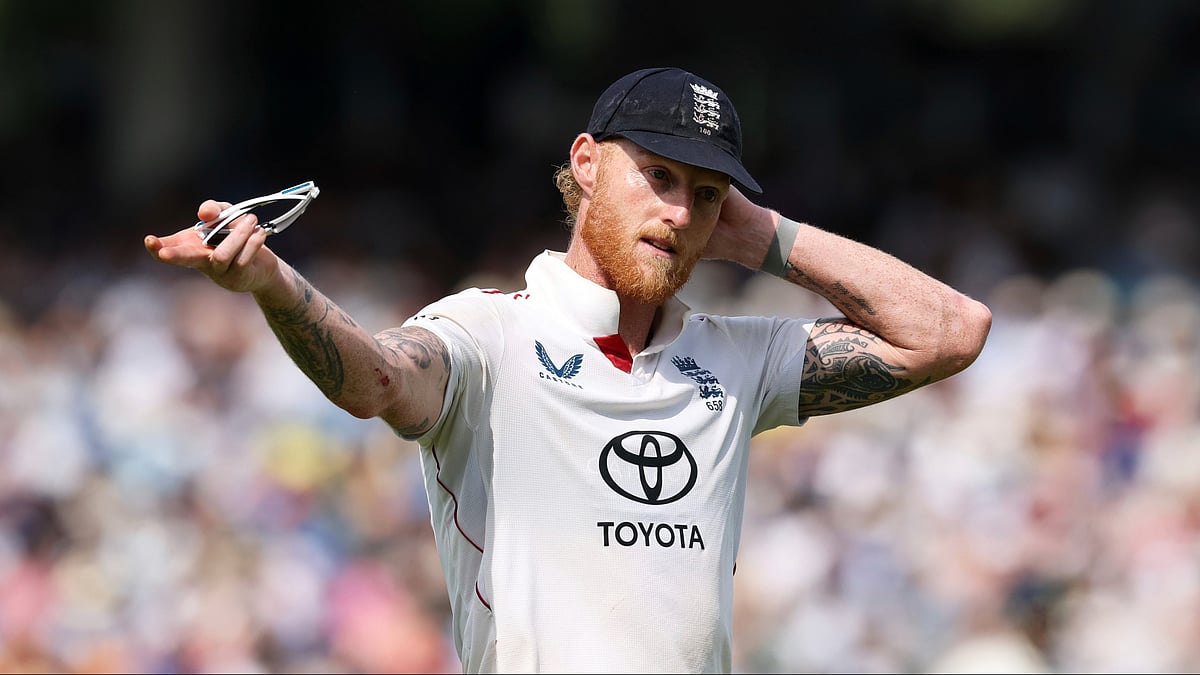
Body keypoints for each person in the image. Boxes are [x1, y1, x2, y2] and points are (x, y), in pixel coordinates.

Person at [144, 66, 992, 673]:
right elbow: (378, 380)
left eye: (704, 194)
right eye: (657, 176)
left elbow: (951, 331)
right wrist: (271, 280)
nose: (678, 212)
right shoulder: (489, 333)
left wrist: (762, 235)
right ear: (586, 162)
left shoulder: (736, 358)